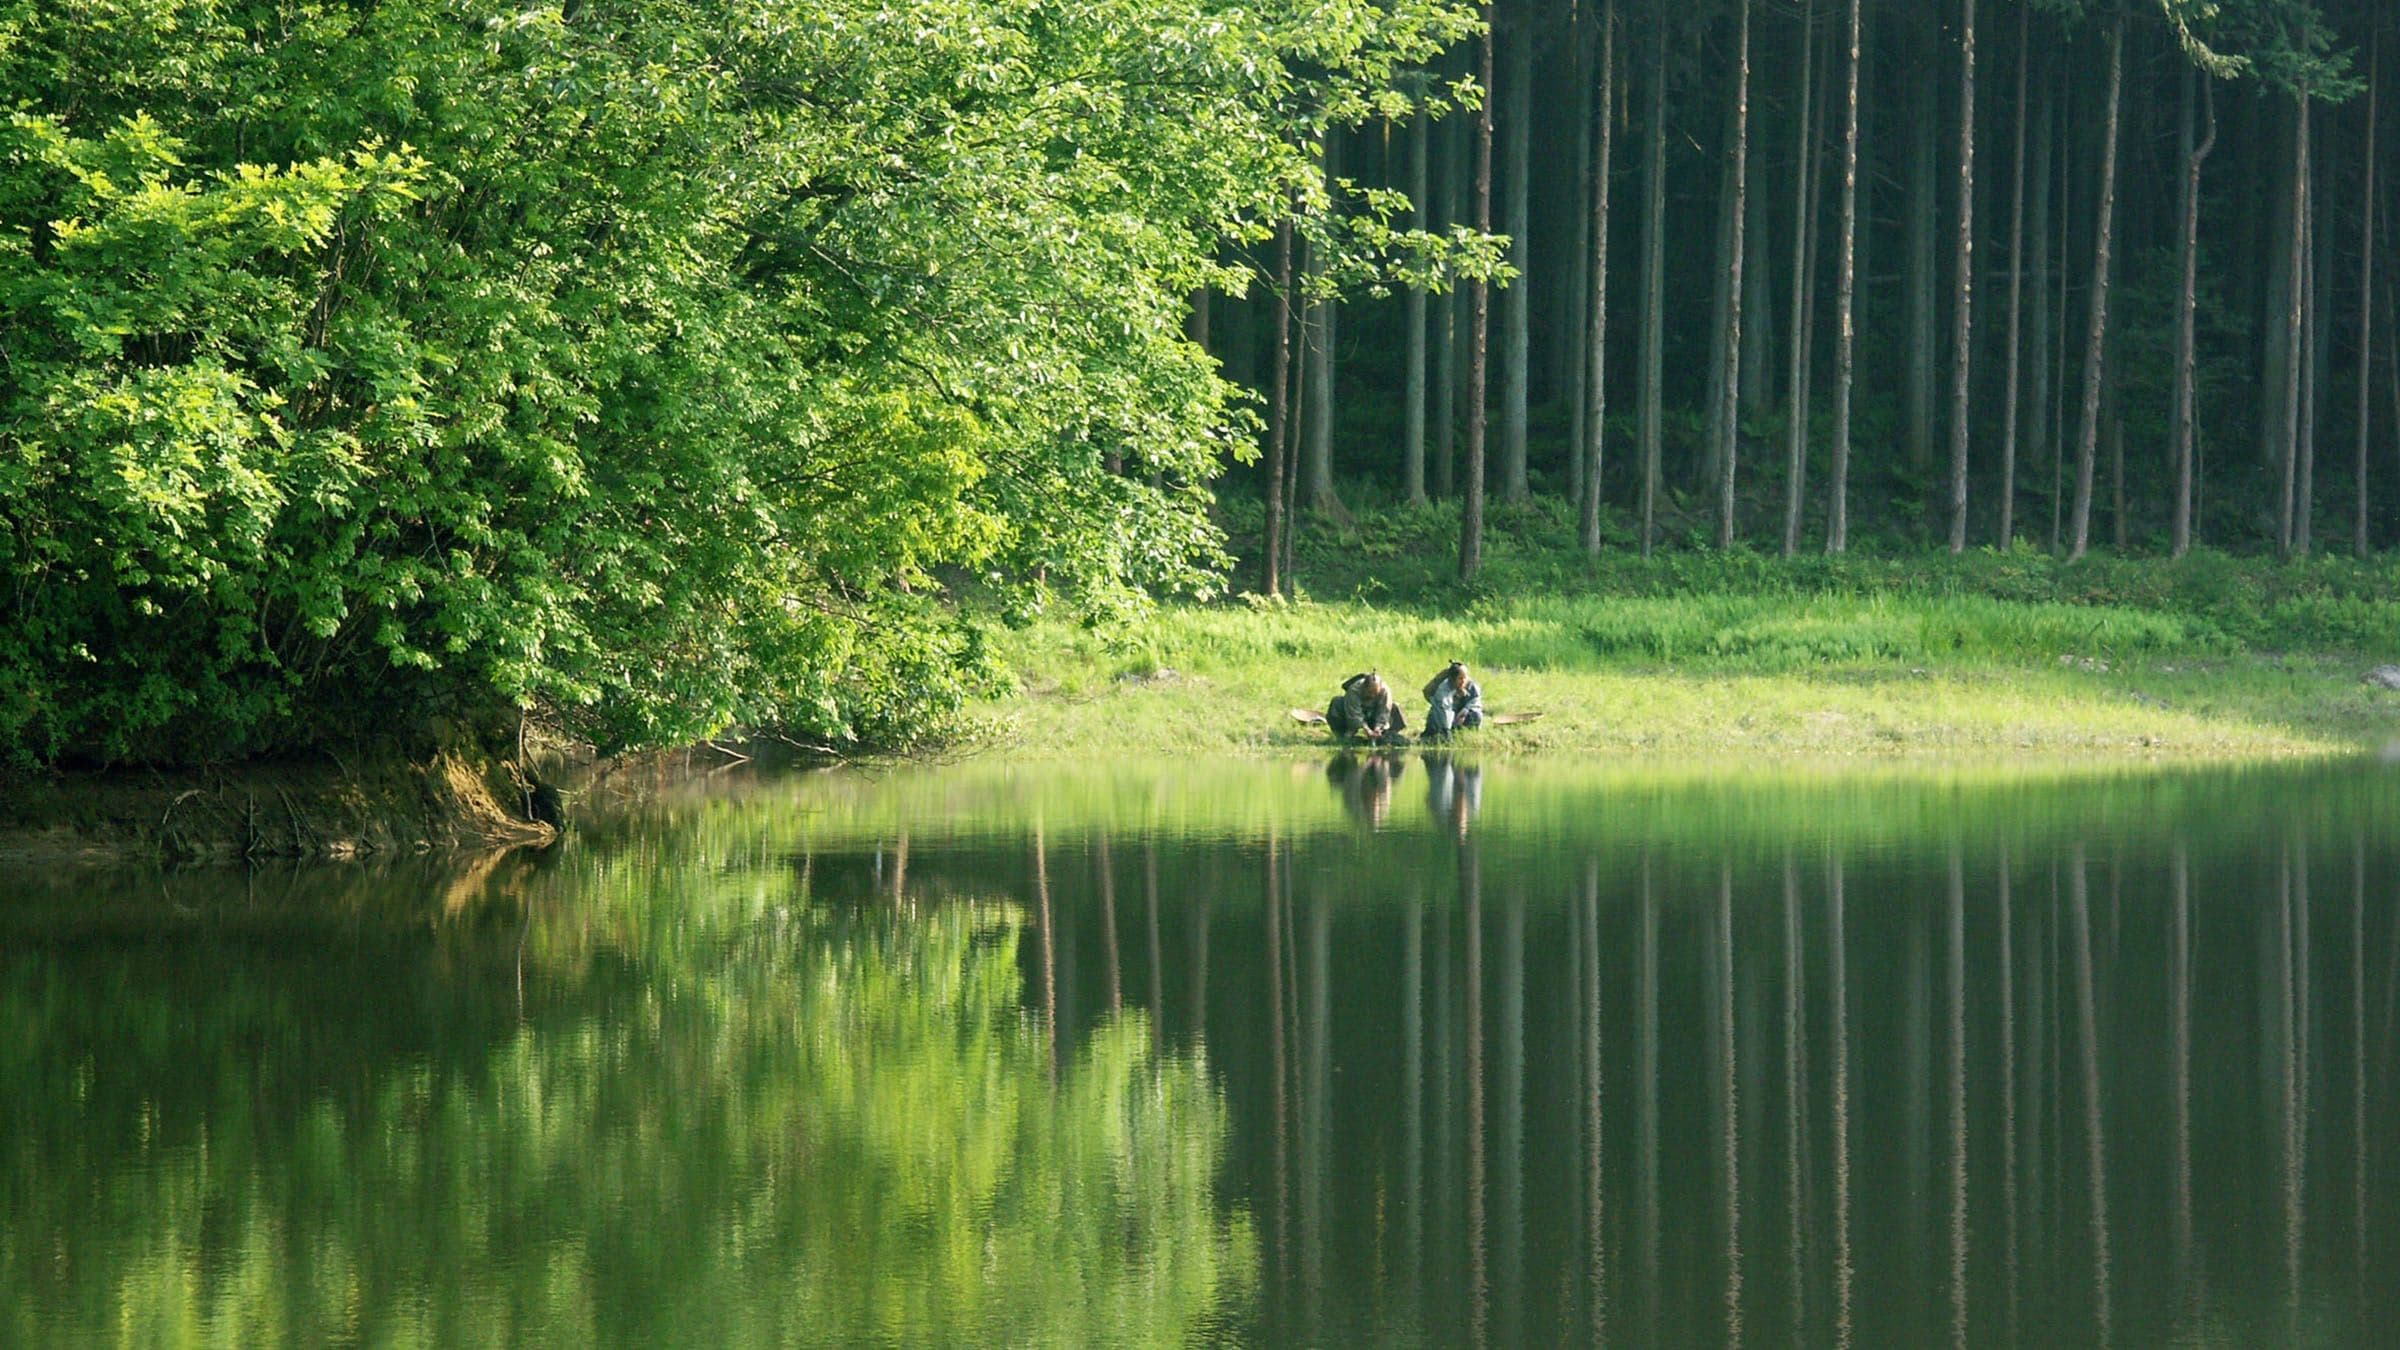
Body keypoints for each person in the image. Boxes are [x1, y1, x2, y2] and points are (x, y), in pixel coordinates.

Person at [1325, 672, 1408, 745]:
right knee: (1336, 702)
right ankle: (1343, 735)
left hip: (1374, 715)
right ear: (1364, 687)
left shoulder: (1385, 691)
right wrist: (1367, 730)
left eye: (1375, 693)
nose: (1372, 696)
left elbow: (1384, 712)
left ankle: (1386, 735)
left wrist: (1377, 728)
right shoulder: (1354, 690)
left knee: (1395, 707)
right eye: (1369, 692)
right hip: (1352, 717)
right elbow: (1354, 714)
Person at [1420, 661, 1484, 741]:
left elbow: (1476, 701)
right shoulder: (1444, 688)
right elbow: (1444, 710)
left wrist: (1465, 711)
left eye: (1465, 678)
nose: (1463, 681)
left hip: (1461, 716)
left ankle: (1464, 736)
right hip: (1443, 720)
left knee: (1477, 715)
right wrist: (1448, 729)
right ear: (1453, 679)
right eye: (1460, 678)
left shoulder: (1471, 686)